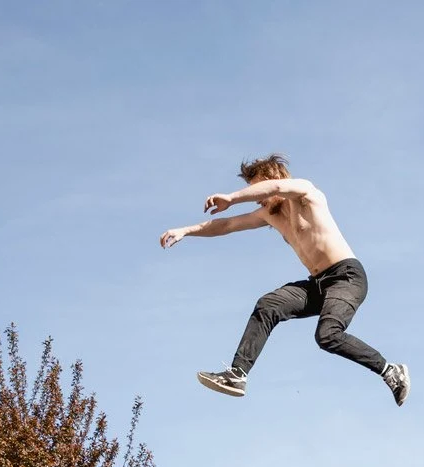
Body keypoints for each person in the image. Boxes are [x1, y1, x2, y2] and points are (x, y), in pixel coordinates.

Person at [160, 153, 409, 407]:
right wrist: (185, 231)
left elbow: (278, 188)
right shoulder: (270, 214)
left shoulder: (306, 192)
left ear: (274, 177)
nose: (258, 198)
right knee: (269, 304)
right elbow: (227, 225)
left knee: (328, 335)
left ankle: (390, 371)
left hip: (346, 277)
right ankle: (237, 375)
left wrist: (232, 198)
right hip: (318, 285)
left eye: (259, 190)